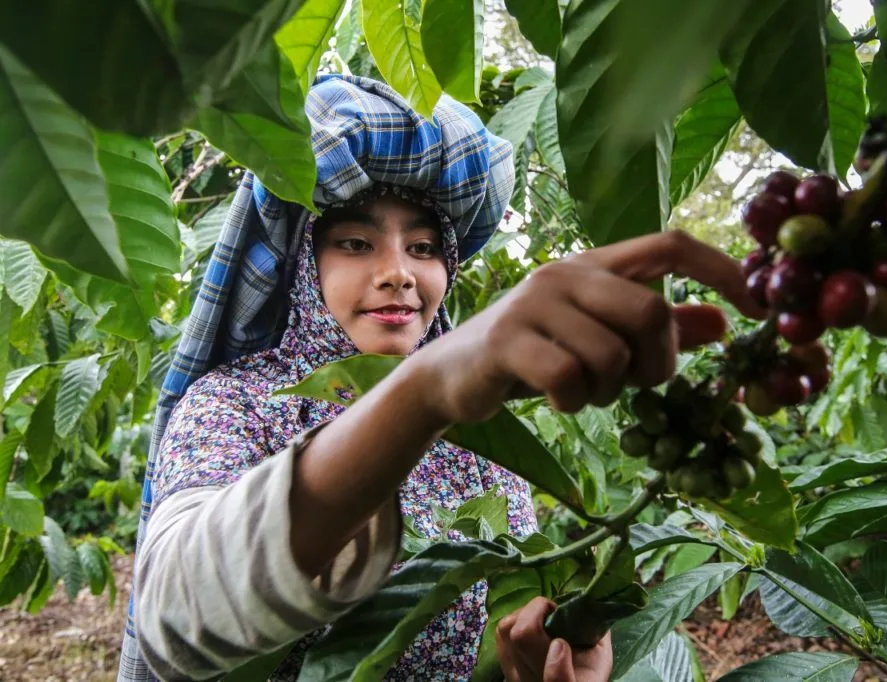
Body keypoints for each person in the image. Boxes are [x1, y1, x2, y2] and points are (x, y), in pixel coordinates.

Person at [117, 74, 762, 682]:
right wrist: (423, 392)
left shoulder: (482, 443)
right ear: (302, 265)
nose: (399, 272)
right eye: (355, 244)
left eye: (423, 248)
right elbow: (172, 618)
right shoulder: (238, 404)